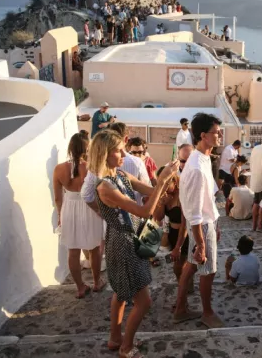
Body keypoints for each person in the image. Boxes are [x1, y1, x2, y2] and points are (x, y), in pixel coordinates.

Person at [91, 131, 177, 357]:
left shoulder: (120, 175)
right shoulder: (104, 187)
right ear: (104, 154)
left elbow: (152, 192)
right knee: (144, 302)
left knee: (120, 293)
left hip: (129, 239)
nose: (124, 154)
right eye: (119, 150)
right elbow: (144, 210)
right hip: (123, 243)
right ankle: (126, 346)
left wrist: (166, 180)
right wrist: (161, 184)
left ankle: (114, 338)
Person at [173, 113, 224, 328]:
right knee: (207, 269)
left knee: (191, 266)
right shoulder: (195, 167)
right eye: (216, 132)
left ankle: (180, 308)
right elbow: (193, 211)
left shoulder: (202, 159)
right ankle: (207, 312)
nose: (220, 135)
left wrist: (216, 223)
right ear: (203, 135)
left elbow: (208, 197)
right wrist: (202, 243)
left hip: (206, 221)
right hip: (201, 225)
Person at [53, 132, 104, 298]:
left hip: (69, 208)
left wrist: (61, 215)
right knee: (95, 248)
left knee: (73, 251)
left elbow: (57, 197)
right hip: (89, 207)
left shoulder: (59, 169)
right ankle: (97, 282)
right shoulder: (91, 167)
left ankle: (80, 287)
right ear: (87, 148)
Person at [153, 168, 190, 291]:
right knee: (179, 267)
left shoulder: (182, 195)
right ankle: (185, 288)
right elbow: (158, 217)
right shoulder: (165, 195)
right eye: (161, 183)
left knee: (178, 268)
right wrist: (161, 202)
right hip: (172, 235)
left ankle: (182, 294)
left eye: (166, 183)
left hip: (185, 236)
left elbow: (185, 225)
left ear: (174, 181)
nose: (163, 187)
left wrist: (178, 247)